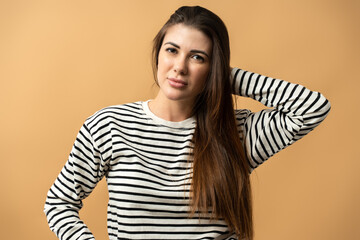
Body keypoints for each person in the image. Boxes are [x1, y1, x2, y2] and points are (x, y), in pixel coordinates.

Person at [44, 6, 331, 240]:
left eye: (197, 57)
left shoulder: (236, 132)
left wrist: (221, 76)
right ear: (158, 52)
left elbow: (312, 107)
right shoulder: (109, 126)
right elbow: (59, 204)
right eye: (172, 50)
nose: (180, 66)